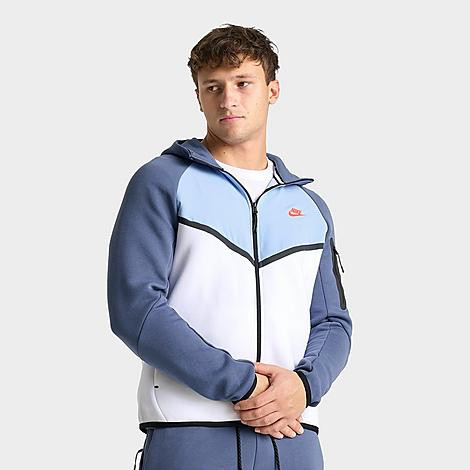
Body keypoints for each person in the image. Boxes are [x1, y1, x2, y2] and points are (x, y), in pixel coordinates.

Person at [107, 23, 353, 470]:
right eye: (213, 86)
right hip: (190, 432)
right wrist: (243, 384)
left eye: (243, 83)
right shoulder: (162, 181)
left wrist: (303, 387)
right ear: (198, 97)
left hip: (293, 435)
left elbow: (332, 321)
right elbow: (136, 307)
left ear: (272, 91)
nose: (228, 99)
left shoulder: (309, 206)